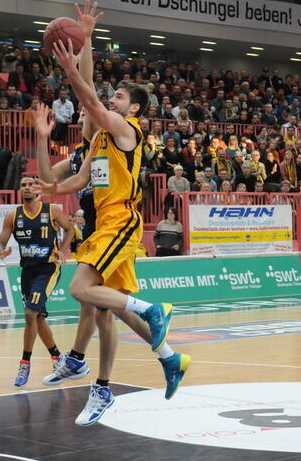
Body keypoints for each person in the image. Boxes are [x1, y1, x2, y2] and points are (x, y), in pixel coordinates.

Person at [38, 38, 189, 426]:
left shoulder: (127, 128)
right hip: (104, 223)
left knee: (81, 291)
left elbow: (88, 98)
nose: (112, 99)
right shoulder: (99, 140)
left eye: (118, 95)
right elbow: (78, 180)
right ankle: (169, 359)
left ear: (133, 107)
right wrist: (49, 190)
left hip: (120, 220)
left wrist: (74, 62)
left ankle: (152, 312)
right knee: (106, 308)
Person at [0, 176, 74, 387]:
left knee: (30, 313)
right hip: (28, 271)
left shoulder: (51, 211)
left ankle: (24, 363)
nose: (27, 188)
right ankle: (57, 358)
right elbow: (1, 243)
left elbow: (70, 229)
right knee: (37, 318)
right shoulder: (13, 216)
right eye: (23, 185)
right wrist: (3, 251)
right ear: (19, 190)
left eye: (31, 184)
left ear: (37, 189)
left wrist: (63, 250)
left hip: (48, 268)